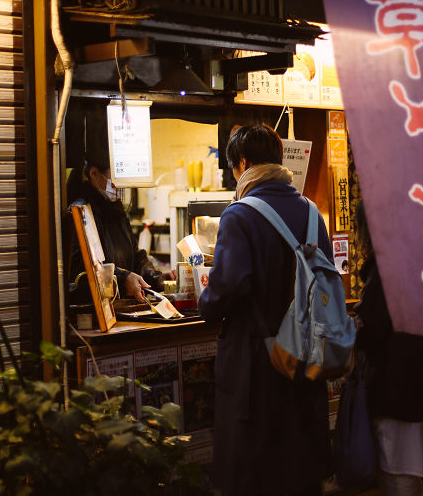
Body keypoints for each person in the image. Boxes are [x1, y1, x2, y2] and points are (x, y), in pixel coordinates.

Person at [197, 124, 331, 496]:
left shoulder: (239, 215)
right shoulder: (311, 213)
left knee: (255, 470)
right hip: (305, 358)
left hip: (257, 364)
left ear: (242, 163)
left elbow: (226, 290)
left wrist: (203, 300)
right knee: (299, 466)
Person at [353, 201, 423, 495]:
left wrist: (352, 327)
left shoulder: (386, 270)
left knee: (397, 468)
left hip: (394, 386)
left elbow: (373, 329)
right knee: (408, 470)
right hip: (416, 380)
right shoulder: (417, 259)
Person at [67, 157, 173, 304]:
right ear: (94, 173)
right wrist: (122, 280)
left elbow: (136, 258)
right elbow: (82, 270)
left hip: (122, 309)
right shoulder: (80, 212)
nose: (122, 184)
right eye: (117, 176)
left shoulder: (117, 211)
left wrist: (157, 278)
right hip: (93, 313)